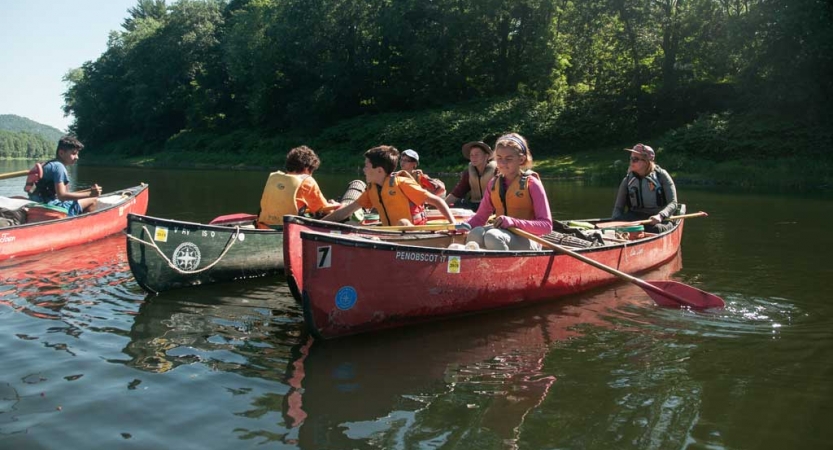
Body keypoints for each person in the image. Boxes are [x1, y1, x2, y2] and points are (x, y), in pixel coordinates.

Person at [455, 133, 553, 250]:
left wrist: (513, 222)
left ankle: (505, 267)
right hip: (503, 234)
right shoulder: (493, 183)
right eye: (499, 158)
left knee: (493, 236)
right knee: (475, 232)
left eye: (509, 159)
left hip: (530, 239)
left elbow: (546, 226)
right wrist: (466, 226)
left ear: (521, 159)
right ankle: (481, 266)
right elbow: (480, 217)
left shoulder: (532, 184)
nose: (502, 163)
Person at [323, 145, 456, 226]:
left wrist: (453, 224)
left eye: (366, 166)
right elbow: (347, 210)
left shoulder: (402, 183)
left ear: (379, 170)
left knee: (403, 222)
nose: (363, 170)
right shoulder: (372, 189)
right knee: (352, 224)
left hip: (412, 233)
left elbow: (438, 201)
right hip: (390, 233)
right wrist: (320, 223)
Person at [258, 145, 342, 227]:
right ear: (306, 168)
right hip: (287, 228)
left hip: (264, 225)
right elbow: (325, 210)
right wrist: (336, 205)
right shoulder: (307, 181)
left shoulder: (275, 178)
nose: (311, 174)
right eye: (311, 171)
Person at [611, 143, 679, 233]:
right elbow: (619, 207)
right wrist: (615, 222)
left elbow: (673, 203)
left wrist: (660, 215)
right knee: (615, 223)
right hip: (635, 216)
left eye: (635, 159)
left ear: (647, 162)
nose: (631, 162)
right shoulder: (627, 180)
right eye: (631, 158)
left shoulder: (662, 176)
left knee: (655, 229)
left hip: (659, 218)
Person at [28, 135, 101, 216]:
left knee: (86, 197)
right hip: (51, 207)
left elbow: (61, 194)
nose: (77, 157)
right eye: (74, 153)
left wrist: (89, 191)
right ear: (61, 153)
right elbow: (62, 196)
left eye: (77, 154)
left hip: (40, 203)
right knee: (93, 200)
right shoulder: (59, 167)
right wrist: (90, 194)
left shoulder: (50, 164)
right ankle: (80, 224)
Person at [444, 141, 498, 212]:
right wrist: (442, 205)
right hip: (474, 205)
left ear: (486, 156)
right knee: (457, 204)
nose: (473, 157)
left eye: (477, 155)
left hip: (493, 206)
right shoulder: (468, 174)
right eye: (471, 155)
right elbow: (457, 193)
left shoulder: (497, 171)